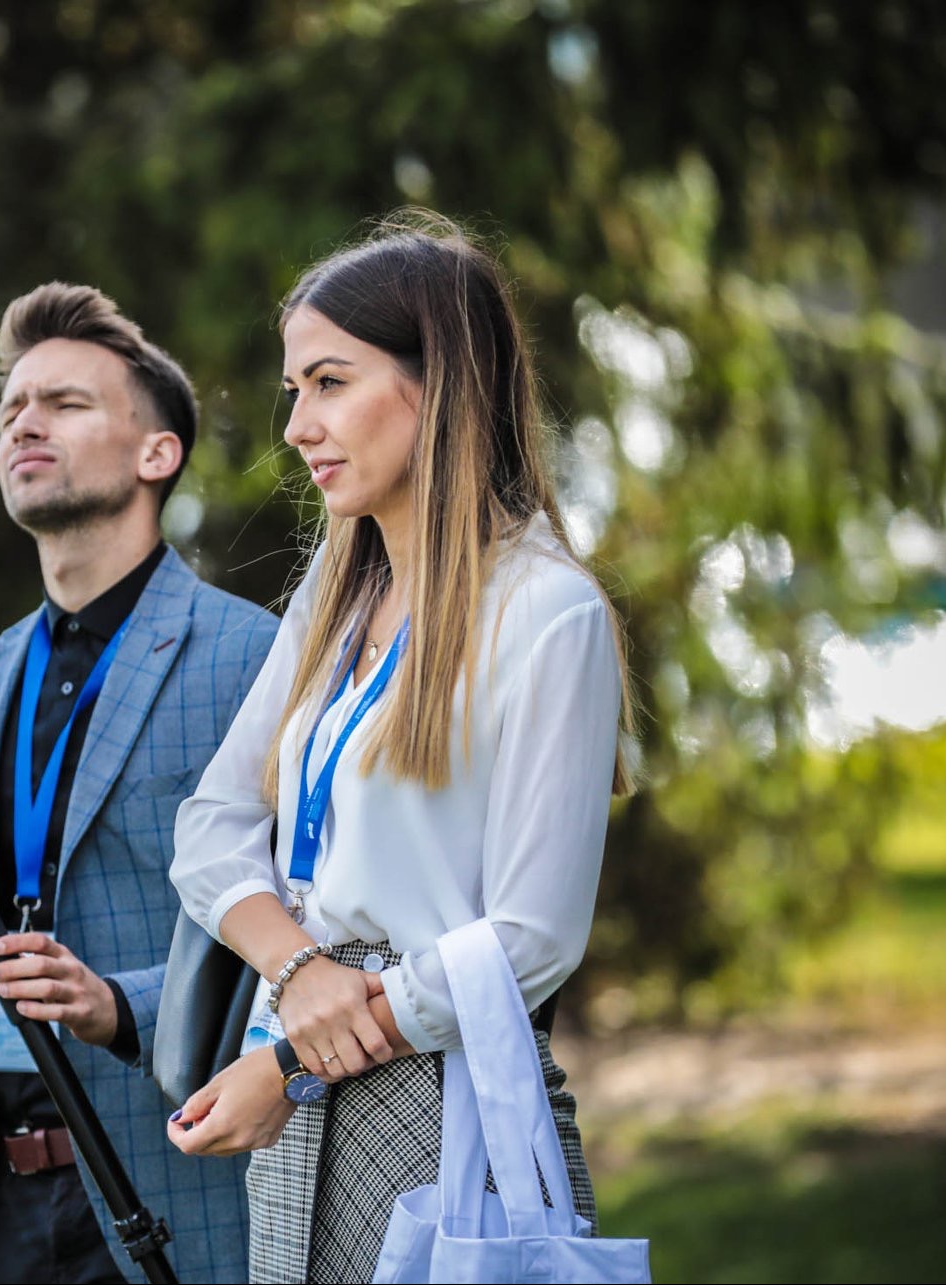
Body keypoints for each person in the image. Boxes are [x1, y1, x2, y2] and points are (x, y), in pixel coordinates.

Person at [164, 214, 636, 1283]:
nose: (295, 425)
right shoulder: (329, 605)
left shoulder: (545, 611)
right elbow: (209, 827)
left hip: (442, 1097)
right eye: (293, 389)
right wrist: (294, 968)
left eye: (327, 381)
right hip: (297, 1076)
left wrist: (294, 1053)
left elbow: (528, 941)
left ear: (438, 386)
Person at [0, 283, 274, 1284]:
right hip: (4, 1206)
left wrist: (117, 1002)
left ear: (155, 453)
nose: (24, 421)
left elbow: (301, 921)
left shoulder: (253, 653)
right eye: (10, 409)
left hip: (176, 1179)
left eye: (64, 403)